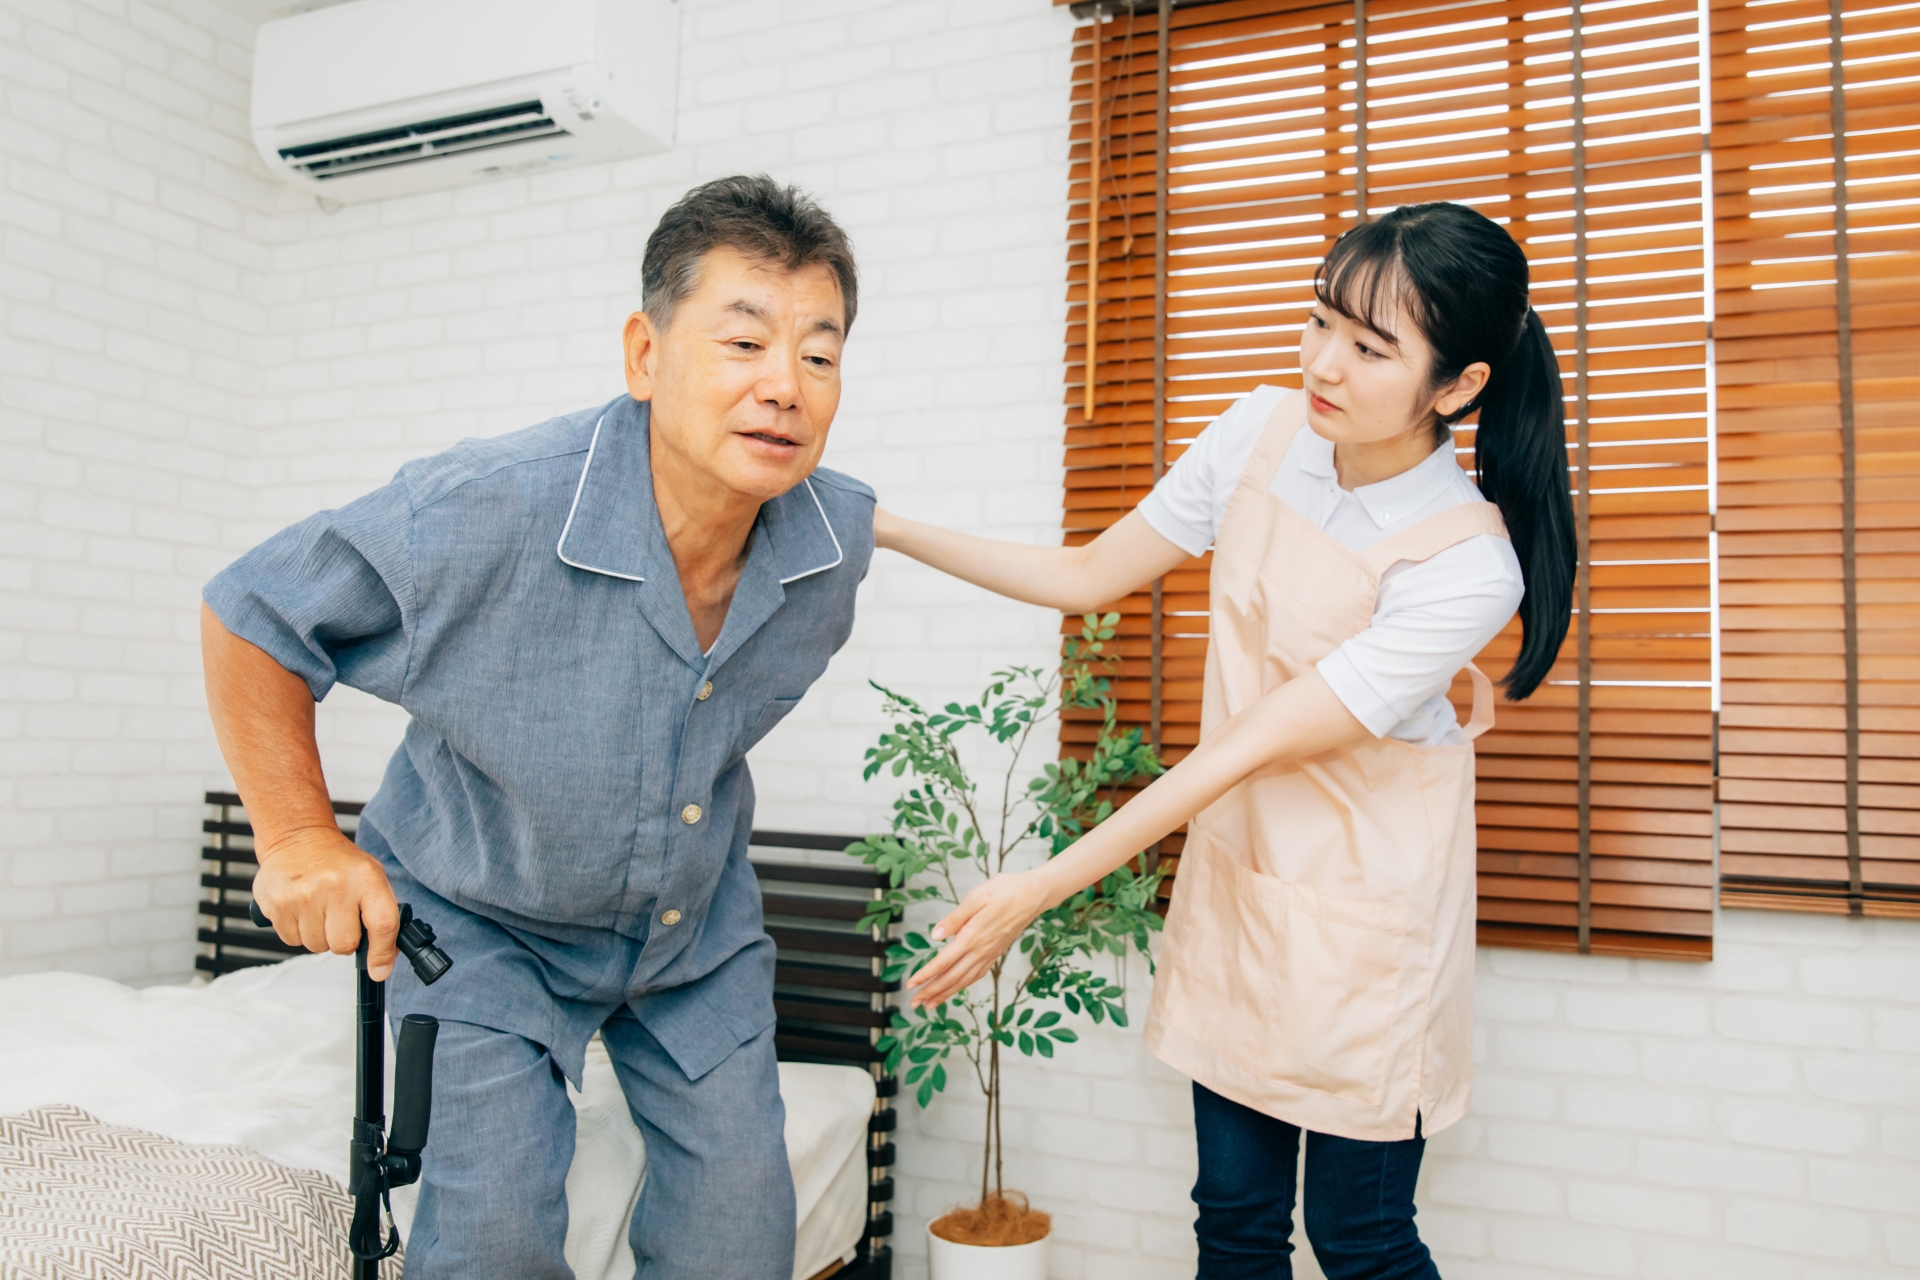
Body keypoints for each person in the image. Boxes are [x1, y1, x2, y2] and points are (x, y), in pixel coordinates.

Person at [876, 203, 1576, 1280]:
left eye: (1370, 347)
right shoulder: (1261, 430)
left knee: (1363, 1239)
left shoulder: (1467, 565)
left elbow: (1251, 742)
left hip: (1369, 935)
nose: (1324, 363)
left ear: (1460, 386)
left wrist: (1037, 887)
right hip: (1244, 886)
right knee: (1233, 1222)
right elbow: (1084, 575)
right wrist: (876, 523)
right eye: (1320, 321)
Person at [199, 175, 871, 1280]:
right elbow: (254, 610)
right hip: (481, 921)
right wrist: (298, 838)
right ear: (645, 356)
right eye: (743, 343)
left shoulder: (828, 549)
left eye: (819, 355)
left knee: (742, 1234)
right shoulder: (492, 503)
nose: (784, 387)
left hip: (691, 933)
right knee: (491, 1241)